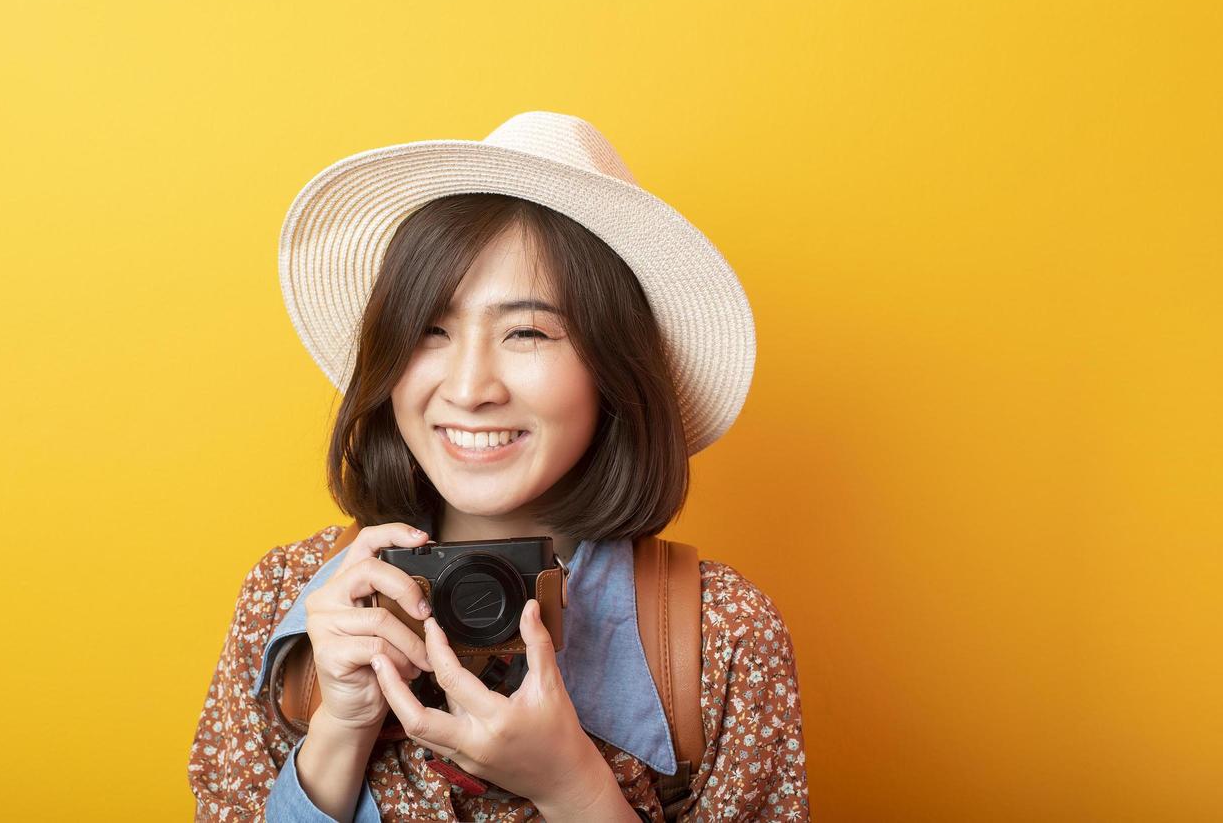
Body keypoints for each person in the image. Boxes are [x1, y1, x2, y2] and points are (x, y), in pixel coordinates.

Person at [189, 112, 811, 821]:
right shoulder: (286, 602)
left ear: (612, 367)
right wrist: (339, 730)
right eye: (432, 330)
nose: (469, 387)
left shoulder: (718, 636)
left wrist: (573, 786)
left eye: (527, 331)